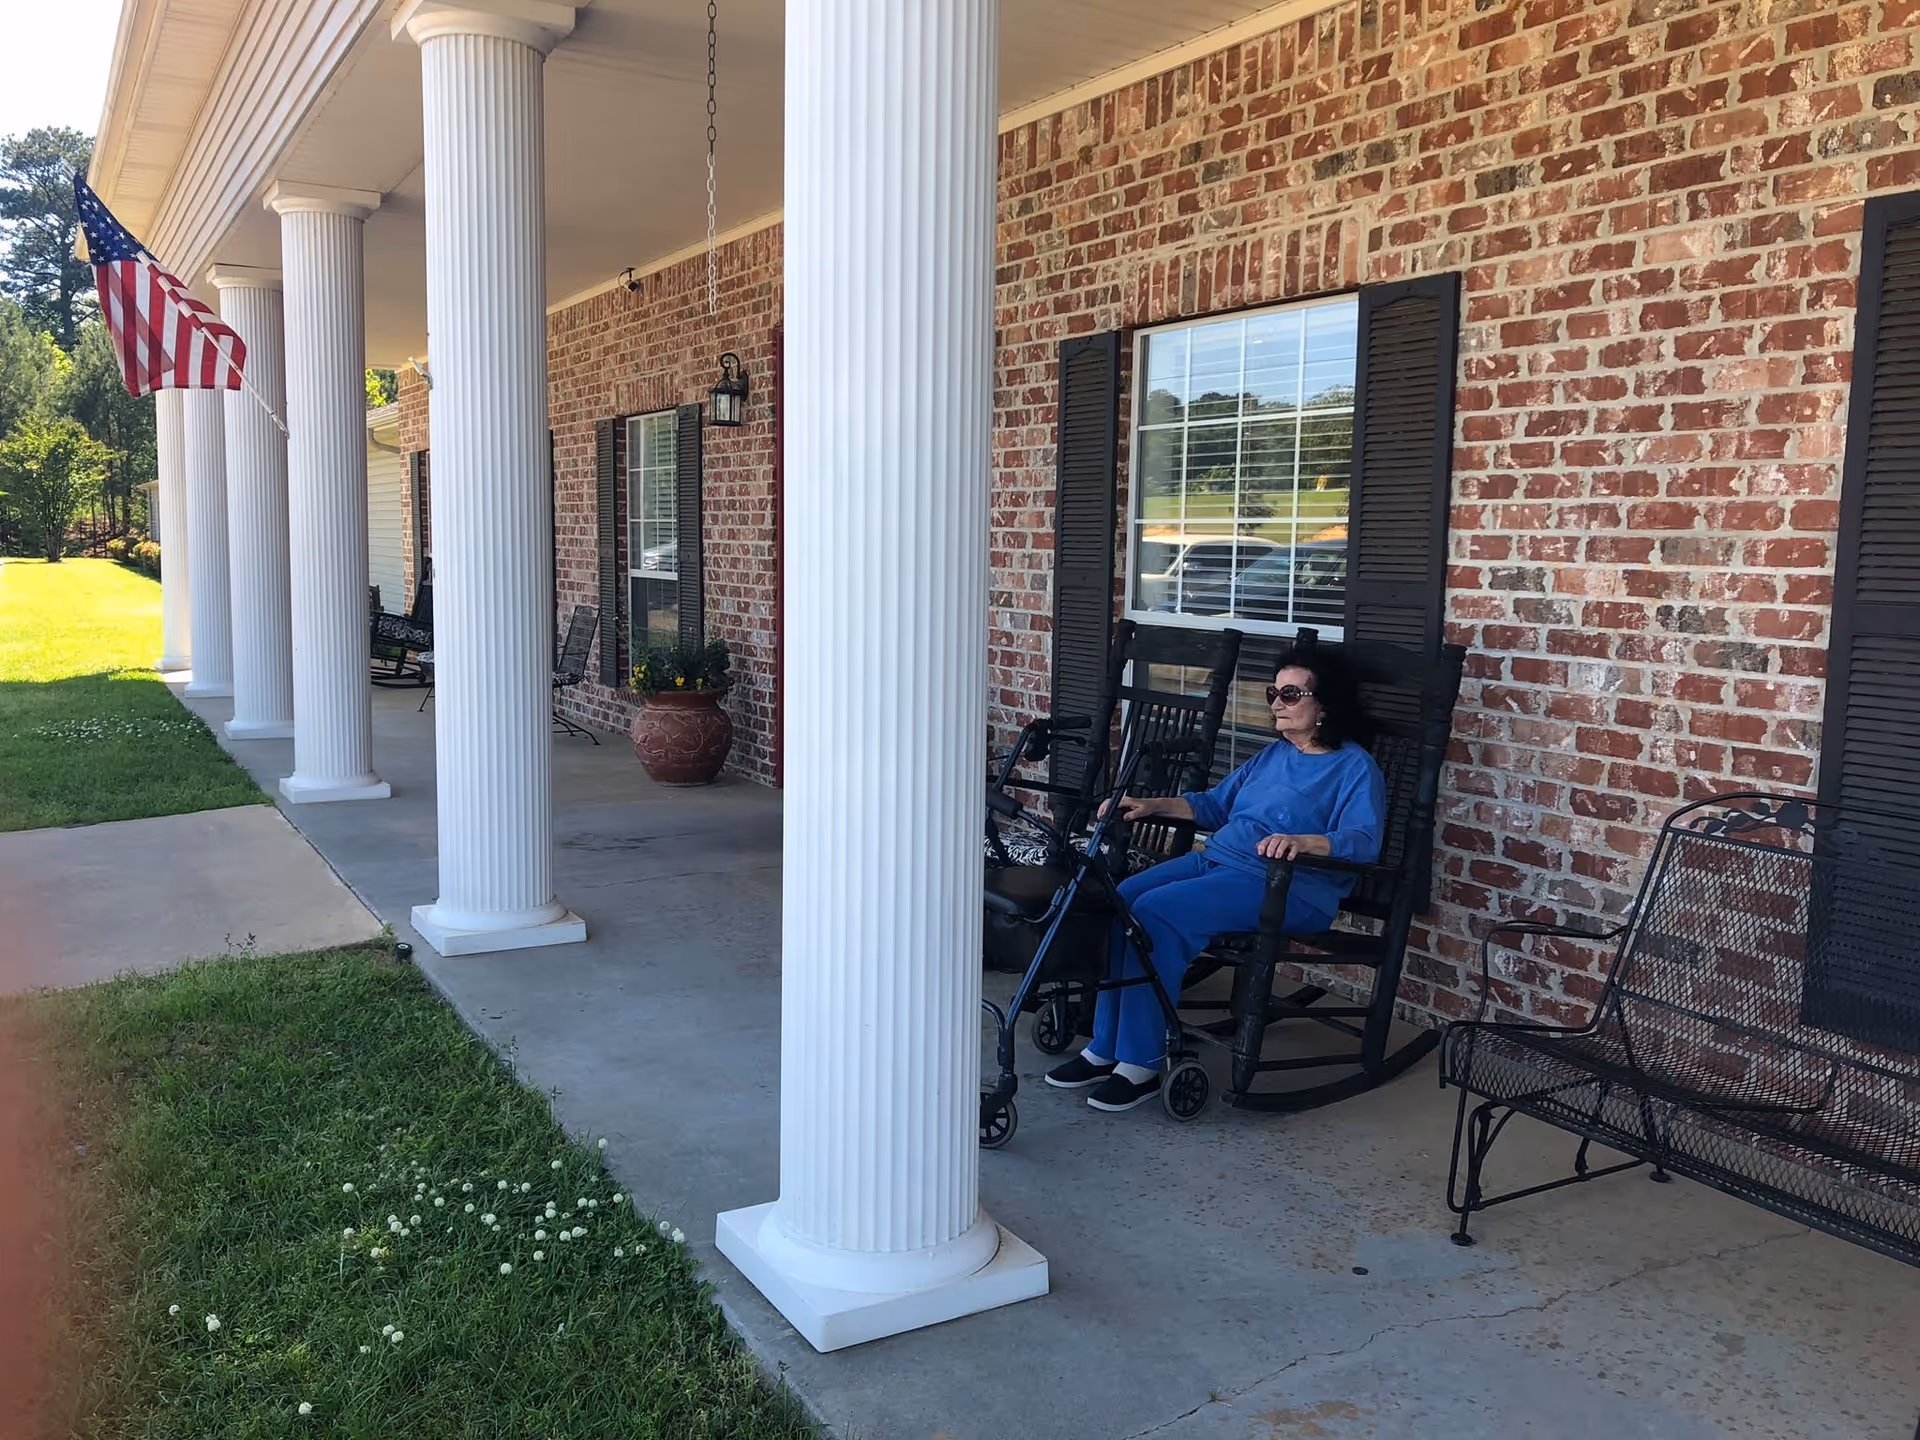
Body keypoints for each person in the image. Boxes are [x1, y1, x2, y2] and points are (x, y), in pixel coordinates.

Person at [1044, 645, 1386, 1112]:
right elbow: (1216, 804)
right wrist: (1152, 805)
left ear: (1324, 704)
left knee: (1157, 913)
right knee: (1118, 898)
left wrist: (1304, 842)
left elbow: (1363, 840)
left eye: (1289, 694)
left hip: (1286, 886)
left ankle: (1142, 1063)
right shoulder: (1273, 755)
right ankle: (1106, 1045)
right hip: (1222, 861)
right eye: (1273, 693)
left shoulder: (1353, 767)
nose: (1276, 705)